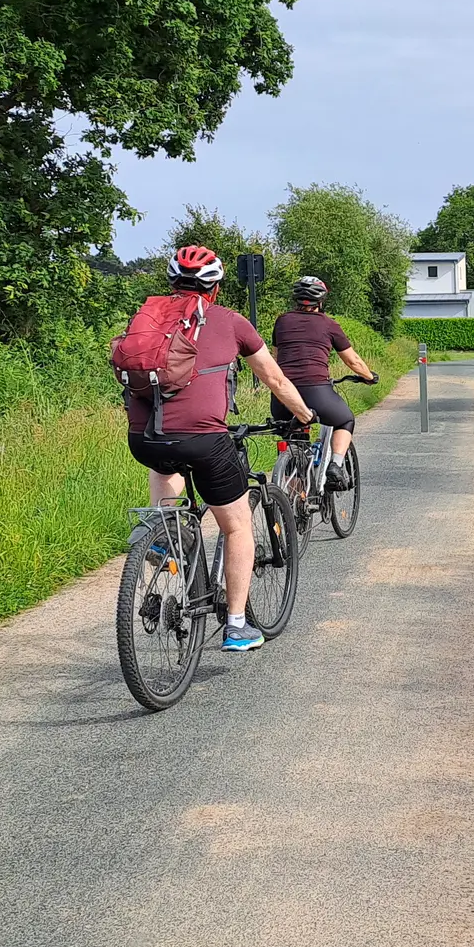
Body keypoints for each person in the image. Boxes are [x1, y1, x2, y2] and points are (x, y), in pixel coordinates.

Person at [126, 245, 316, 652]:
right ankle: (236, 624)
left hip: (144, 438)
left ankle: (164, 532)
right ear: (214, 288)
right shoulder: (231, 321)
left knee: (166, 459)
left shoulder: (147, 318)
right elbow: (276, 380)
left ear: (172, 283)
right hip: (204, 440)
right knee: (237, 525)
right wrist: (304, 414)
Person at [269, 276, 377, 491]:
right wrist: (369, 377)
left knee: (293, 440)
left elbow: (274, 357)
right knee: (345, 420)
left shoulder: (282, 321)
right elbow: (353, 361)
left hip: (283, 395)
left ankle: (295, 501)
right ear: (321, 301)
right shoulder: (329, 324)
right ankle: (335, 465)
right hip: (317, 392)